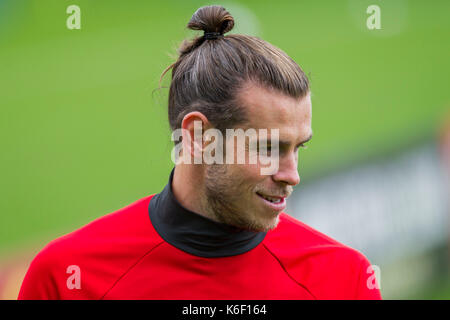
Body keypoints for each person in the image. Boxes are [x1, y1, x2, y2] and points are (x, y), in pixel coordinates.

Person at [18, 5, 381, 300]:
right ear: (198, 137)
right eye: (269, 147)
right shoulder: (67, 279)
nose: (292, 175)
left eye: (298, 148)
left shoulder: (343, 280)